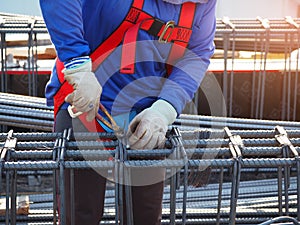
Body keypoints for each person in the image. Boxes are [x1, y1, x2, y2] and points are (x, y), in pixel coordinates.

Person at [39, 0, 217, 224]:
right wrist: (77, 64)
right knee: (79, 213)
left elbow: (197, 54)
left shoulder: (203, 3)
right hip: (83, 104)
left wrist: (164, 110)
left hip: (145, 115)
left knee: (143, 216)